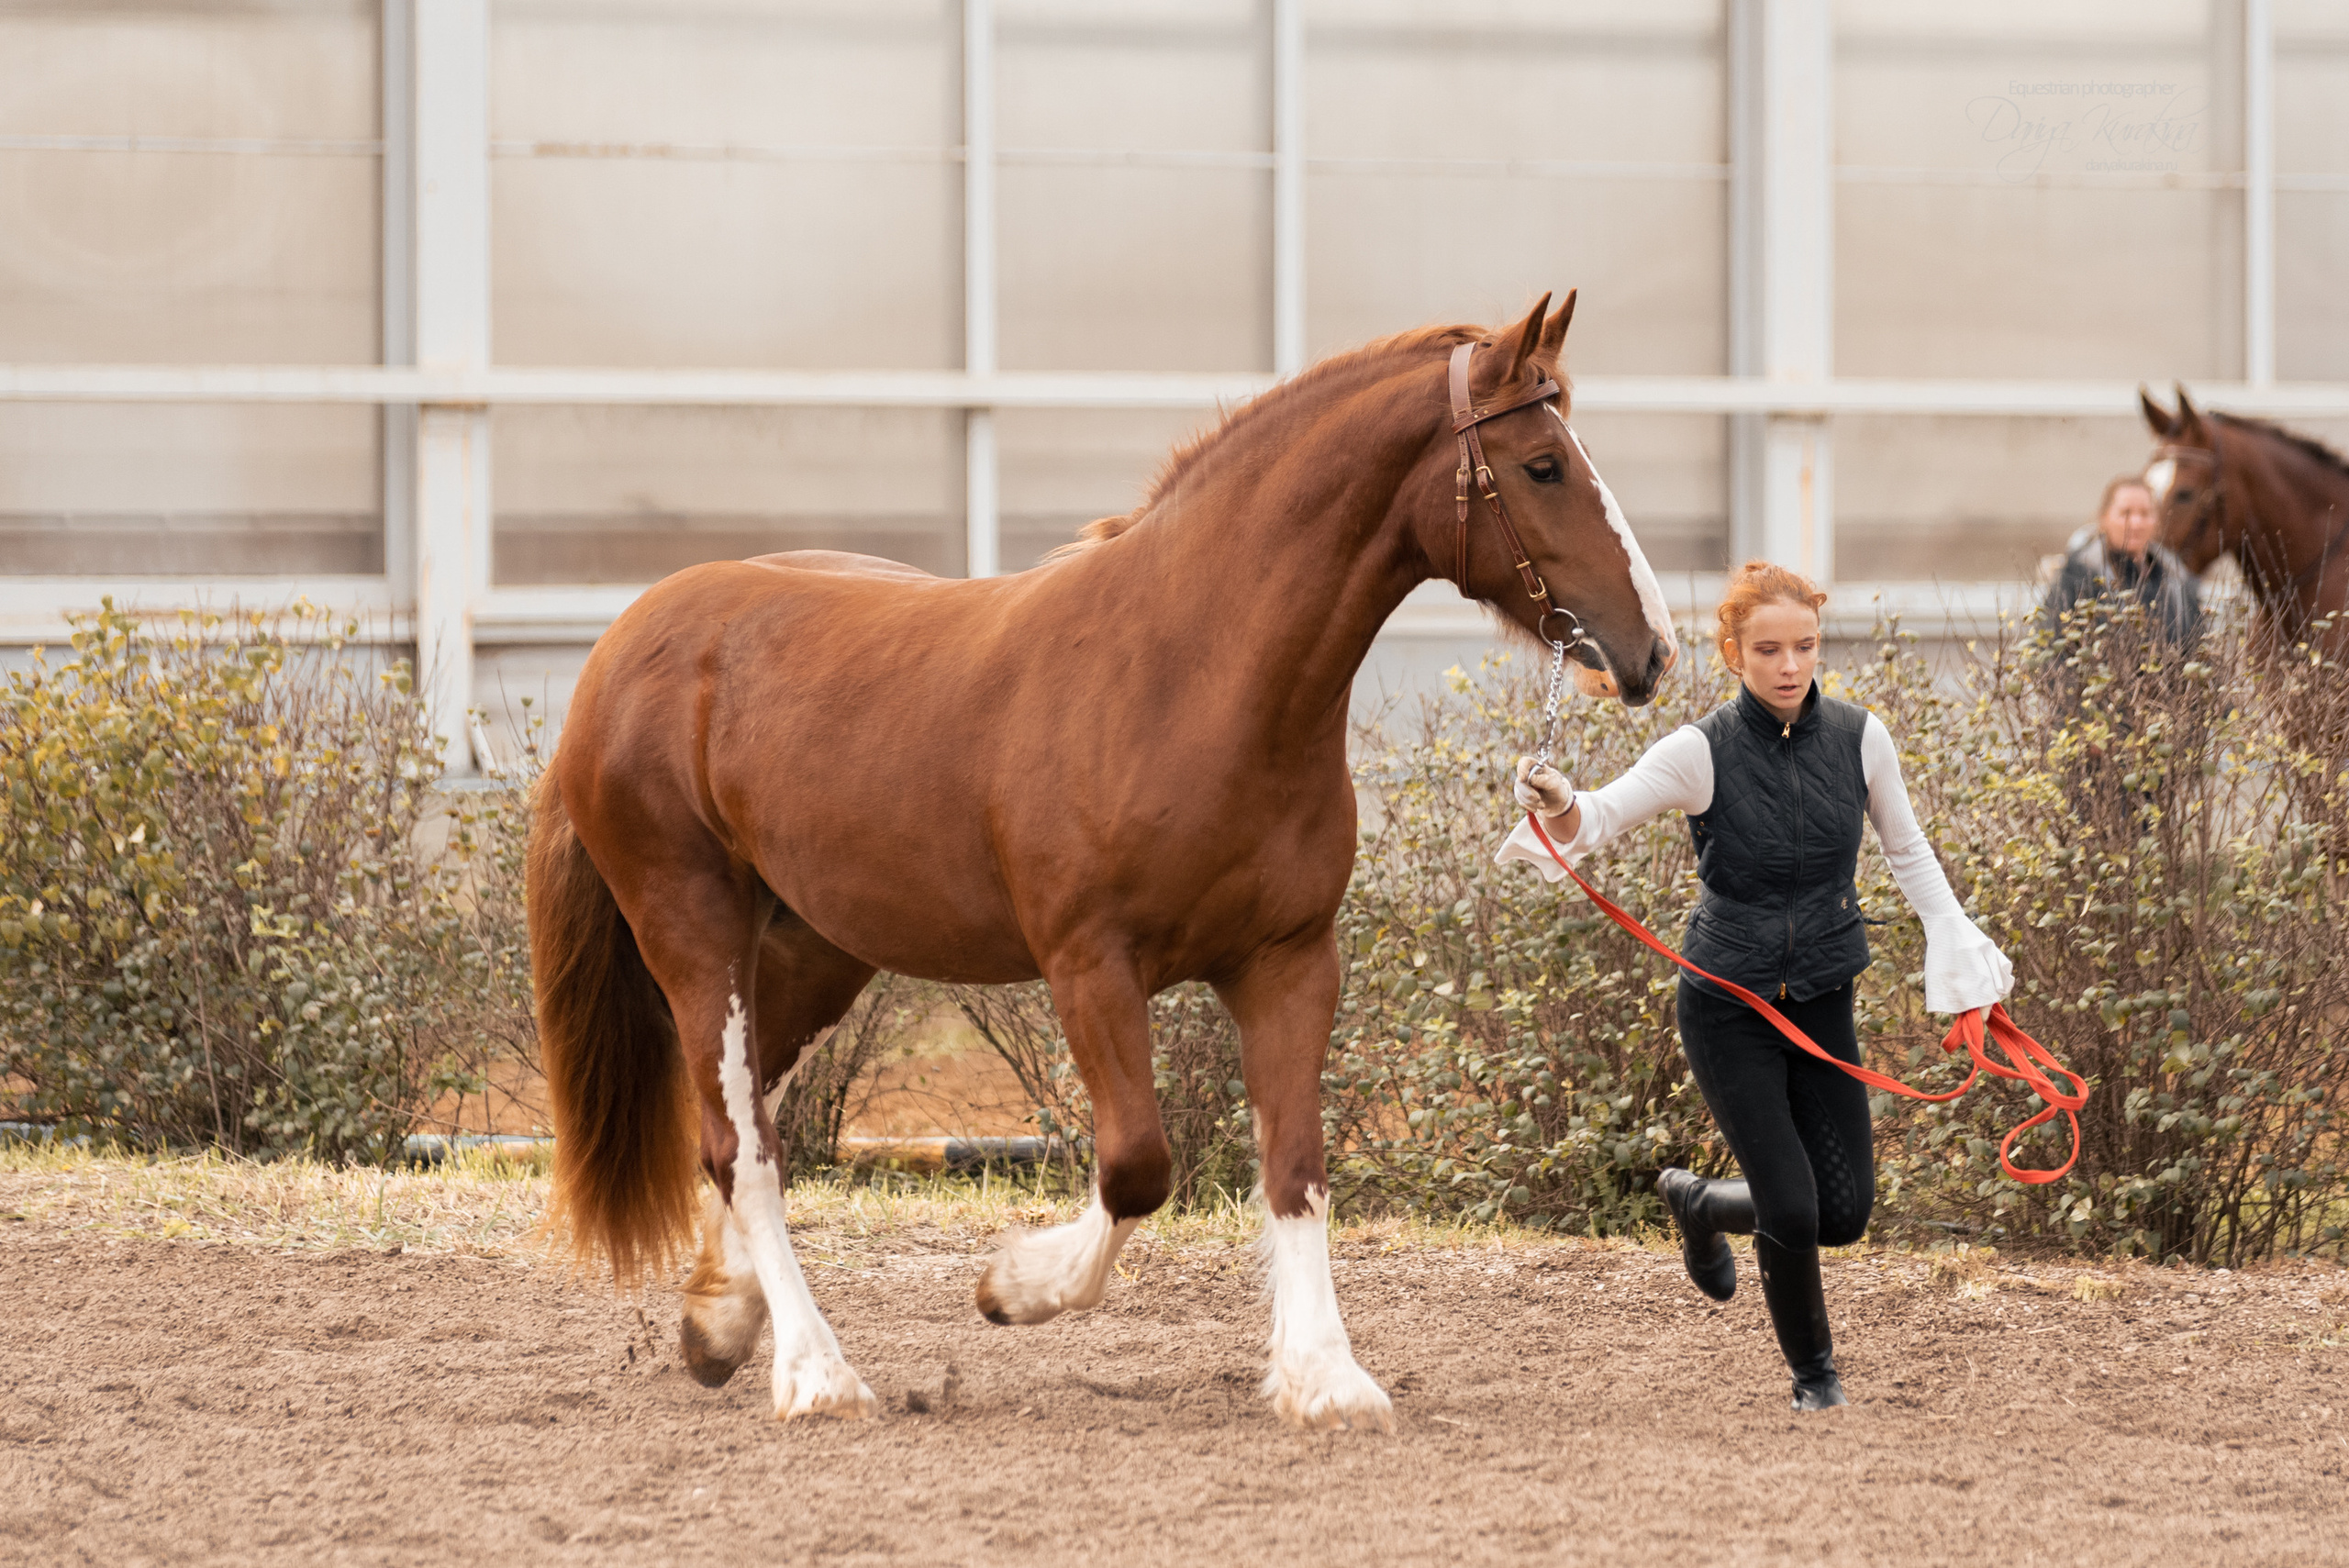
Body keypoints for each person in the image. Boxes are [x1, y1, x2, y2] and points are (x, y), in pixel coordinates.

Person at [1493, 561, 2013, 1411]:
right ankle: (1817, 1380)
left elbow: (1908, 852)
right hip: (1728, 1006)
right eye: (1768, 649)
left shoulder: (1860, 737)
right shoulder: (1701, 750)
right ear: (1734, 653)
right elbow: (1596, 816)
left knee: (1842, 1213)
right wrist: (1556, 798)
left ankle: (1698, 1203)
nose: (1789, 665)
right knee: (1795, 1207)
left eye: (1804, 646)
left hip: (1822, 998)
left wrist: (1956, 942)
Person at [2039, 474, 2202, 648]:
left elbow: (2197, 649)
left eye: (2145, 513)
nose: (2136, 523)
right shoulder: (2077, 577)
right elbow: (2053, 650)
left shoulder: (2176, 578)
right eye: (2126, 513)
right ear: (2104, 518)